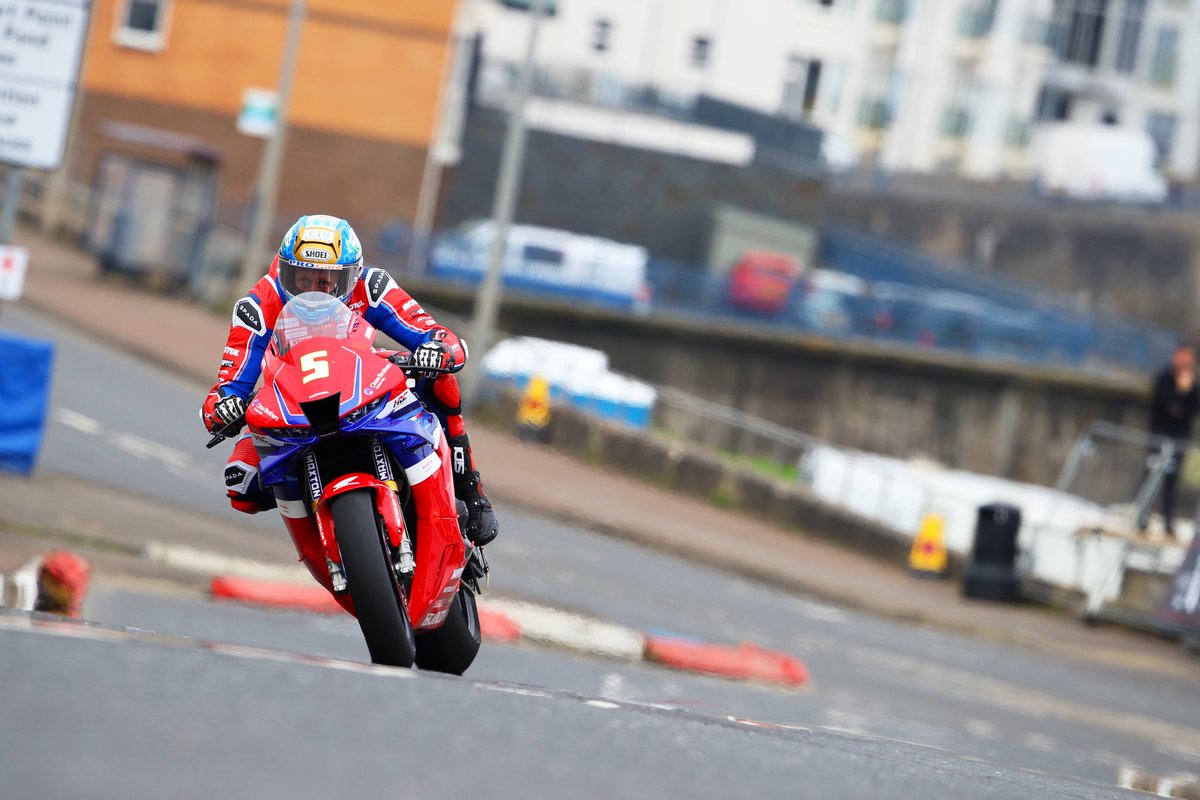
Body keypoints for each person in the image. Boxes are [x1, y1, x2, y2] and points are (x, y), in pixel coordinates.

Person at [199, 213, 498, 546]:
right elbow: (227, 386)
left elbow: (439, 336)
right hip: (294, 403)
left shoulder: (372, 286)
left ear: (350, 276)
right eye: (302, 279)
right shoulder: (257, 305)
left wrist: (436, 350)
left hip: (364, 387)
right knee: (242, 485)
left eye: (327, 282)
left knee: (440, 383)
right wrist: (224, 407)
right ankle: (316, 525)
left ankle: (471, 491)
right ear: (285, 272)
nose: (315, 291)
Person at [1148, 343, 1199, 538]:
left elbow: (1192, 409)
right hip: (1159, 436)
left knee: (1172, 481)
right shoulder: (1164, 378)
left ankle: (1168, 521)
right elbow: (1165, 405)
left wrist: (1187, 391)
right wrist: (1178, 394)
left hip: (1179, 439)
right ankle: (1143, 517)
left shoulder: (1192, 384)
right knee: (1151, 476)